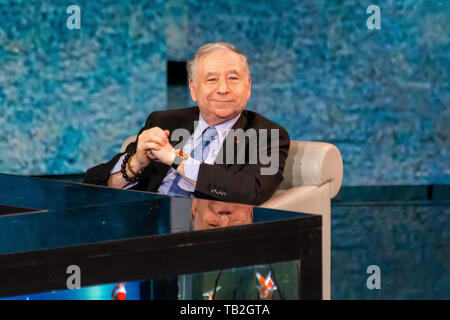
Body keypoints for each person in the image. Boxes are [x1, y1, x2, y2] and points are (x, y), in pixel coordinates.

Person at [83, 42, 290, 205]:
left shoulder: (267, 135)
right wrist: (135, 163)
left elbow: (253, 191)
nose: (223, 89)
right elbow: (94, 182)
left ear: (248, 86)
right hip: (147, 225)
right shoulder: (164, 121)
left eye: (233, 78)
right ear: (193, 89)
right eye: (211, 80)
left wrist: (176, 160)